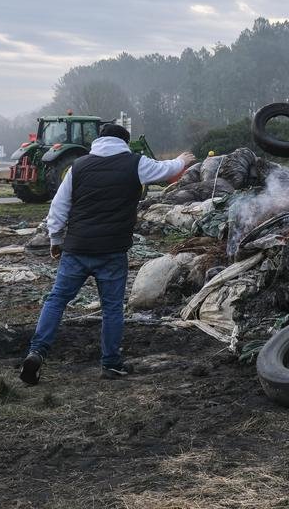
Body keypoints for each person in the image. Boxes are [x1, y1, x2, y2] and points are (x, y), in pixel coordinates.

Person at [19, 123, 196, 384]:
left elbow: (58, 207)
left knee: (57, 300)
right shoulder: (135, 163)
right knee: (112, 308)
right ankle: (111, 364)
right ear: (124, 141)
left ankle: (37, 351)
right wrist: (181, 160)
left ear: (99, 140)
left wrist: (56, 240)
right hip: (112, 251)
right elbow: (166, 169)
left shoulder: (78, 166)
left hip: (77, 248)